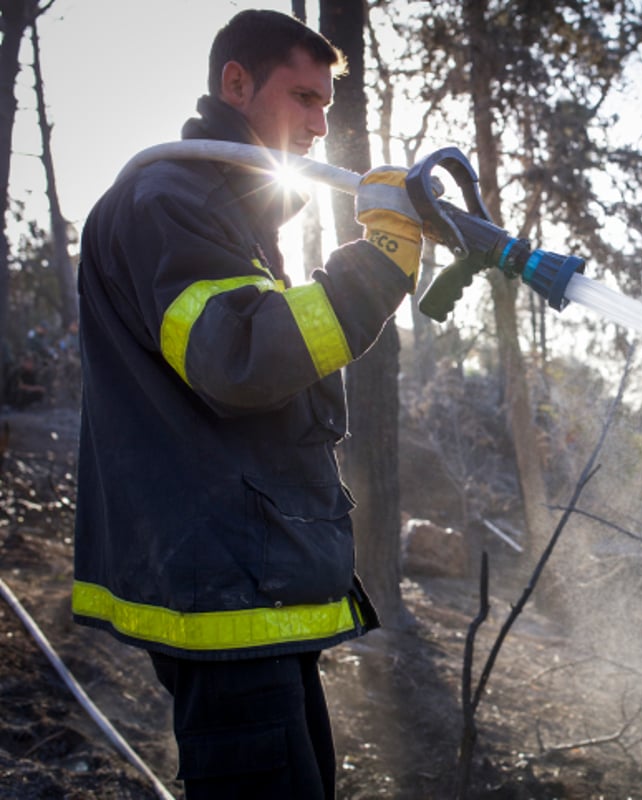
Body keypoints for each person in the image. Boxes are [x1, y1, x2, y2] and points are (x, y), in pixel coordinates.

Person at [71, 10, 423, 799]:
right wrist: (379, 268)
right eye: (302, 97)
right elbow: (240, 357)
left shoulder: (221, 215)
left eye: (326, 107)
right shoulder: (165, 200)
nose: (317, 126)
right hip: (224, 588)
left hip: (244, 588)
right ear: (236, 83)